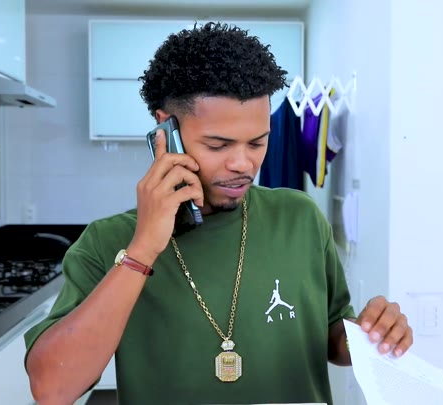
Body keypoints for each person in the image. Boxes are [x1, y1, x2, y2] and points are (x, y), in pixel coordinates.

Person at [23, 22, 413, 405]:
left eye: (257, 143)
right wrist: (143, 249)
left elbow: (332, 338)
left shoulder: (300, 218)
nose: (243, 164)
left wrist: (371, 335)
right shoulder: (107, 241)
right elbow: (52, 390)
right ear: (166, 131)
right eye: (217, 145)